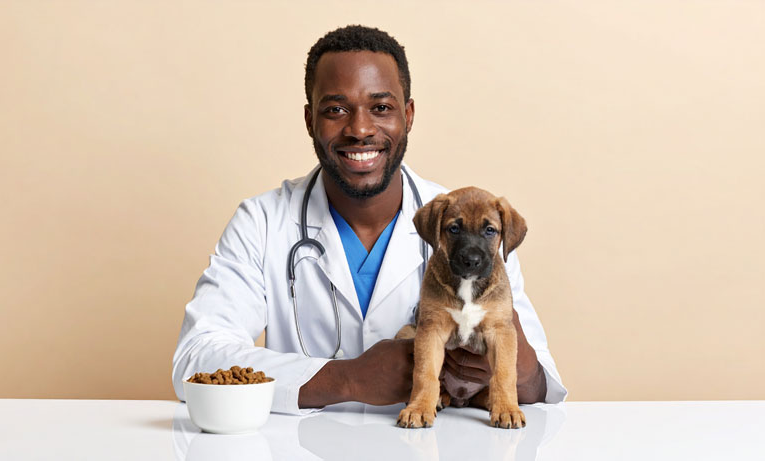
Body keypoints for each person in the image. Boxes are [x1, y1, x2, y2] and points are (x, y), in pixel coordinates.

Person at [172, 25, 566, 415]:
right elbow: (196, 358)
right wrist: (348, 379)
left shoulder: (467, 221)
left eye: (381, 108)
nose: (360, 129)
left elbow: (540, 382)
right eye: (336, 109)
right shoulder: (261, 222)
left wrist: (512, 366)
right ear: (310, 121)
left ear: (408, 116)